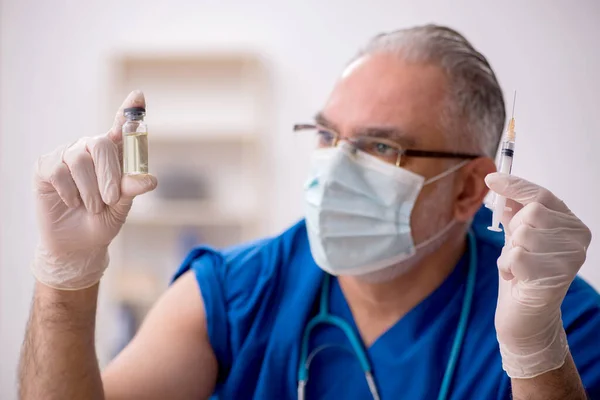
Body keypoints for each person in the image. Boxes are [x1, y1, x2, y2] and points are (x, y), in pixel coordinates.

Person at [18, 25, 600, 400]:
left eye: (378, 147)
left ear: (470, 190)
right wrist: (66, 278)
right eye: (326, 134)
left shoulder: (555, 319)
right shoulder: (236, 292)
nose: (337, 169)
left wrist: (534, 352)